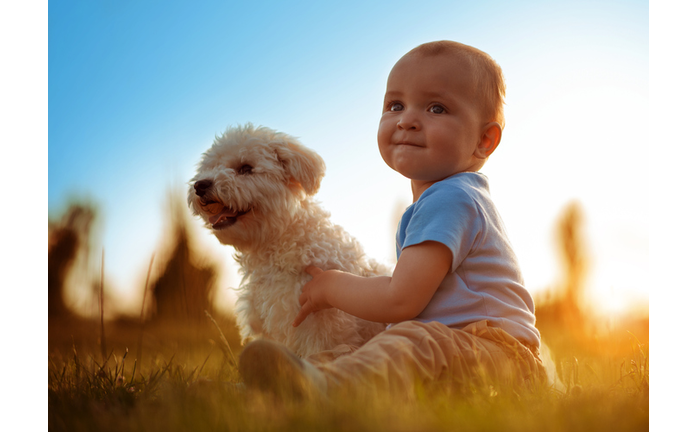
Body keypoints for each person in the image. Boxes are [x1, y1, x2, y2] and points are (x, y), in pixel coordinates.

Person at [239, 40, 546, 399]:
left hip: (499, 356)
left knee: (407, 342)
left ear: (484, 140)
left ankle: (322, 387)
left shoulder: (452, 198)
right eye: (395, 105)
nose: (407, 120)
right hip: (460, 350)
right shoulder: (446, 199)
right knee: (368, 351)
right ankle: (274, 389)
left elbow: (401, 300)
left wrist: (332, 286)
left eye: (436, 108)